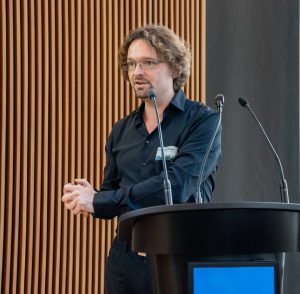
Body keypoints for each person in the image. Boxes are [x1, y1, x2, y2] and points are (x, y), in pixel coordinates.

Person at [62, 25, 222, 294]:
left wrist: (101, 199)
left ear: (173, 66)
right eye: (131, 63)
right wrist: (90, 198)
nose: (136, 72)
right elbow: (114, 198)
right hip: (125, 260)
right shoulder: (121, 130)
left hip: (180, 254)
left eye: (148, 62)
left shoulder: (203, 121)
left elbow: (178, 185)